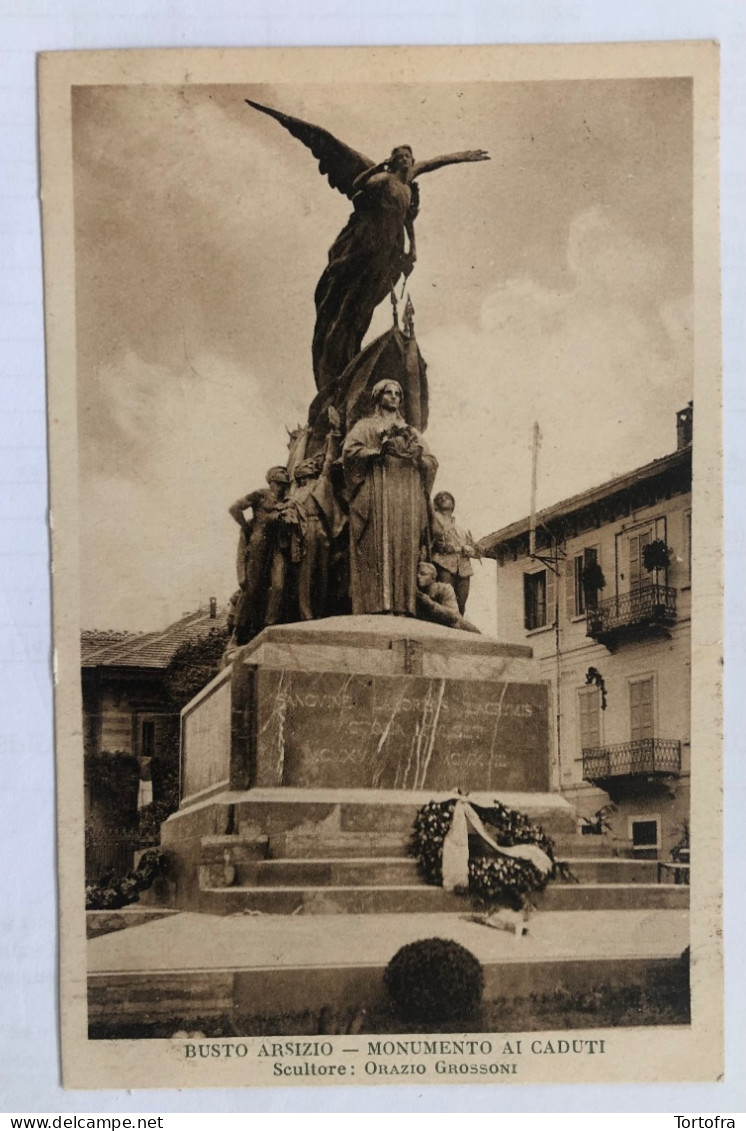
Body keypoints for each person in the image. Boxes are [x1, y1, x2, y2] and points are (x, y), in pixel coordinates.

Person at [244, 99, 489, 389]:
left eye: (410, 156)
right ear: (393, 160)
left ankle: (350, 352)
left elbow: (421, 191)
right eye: (401, 156)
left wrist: (463, 157)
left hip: (388, 248)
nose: (407, 160)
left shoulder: (409, 181)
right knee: (345, 299)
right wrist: (376, 171)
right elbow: (358, 187)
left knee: (363, 305)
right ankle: (334, 360)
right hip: (365, 240)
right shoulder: (381, 178)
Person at [342, 379, 437, 616]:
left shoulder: (411, 431)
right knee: (377, 546)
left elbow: (431, 460)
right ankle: (375, 605)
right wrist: (376, 452)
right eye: (388, 393)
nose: (394, 397)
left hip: (406, 497)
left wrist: (419, 457)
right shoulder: (366, 426)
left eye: (398, 393)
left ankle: (404, 606)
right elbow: (349, 452)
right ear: (378, 397)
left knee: (405, 545)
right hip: (377, 492)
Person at [229, 466, 290, 645]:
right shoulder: (261, 495)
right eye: (278, 483)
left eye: (283, 484)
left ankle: (268, 626)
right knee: (251, 589)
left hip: (277, 547)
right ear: (270, 481)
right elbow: (234, 508)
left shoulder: (287, 499)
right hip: (259, 545)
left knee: (278, 586)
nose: (280, 487)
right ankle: (237, 633)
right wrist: (246, 527)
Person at [430, 490, 480, 615]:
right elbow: (431, 541)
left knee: (461, 604)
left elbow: (475, 550)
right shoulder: (434, 521)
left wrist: (470, 550)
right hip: (444, 564)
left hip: (463, 568)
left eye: (447, 497)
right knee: (446, 600)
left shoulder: (461, 529)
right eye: (440, 497)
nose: (443, 499)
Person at [415, 562, 481, 633]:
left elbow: (453, 616)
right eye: (417, 574)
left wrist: (430, 604)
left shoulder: (445, 589)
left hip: (460, 629)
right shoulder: (417, 592)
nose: (418, 576)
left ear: (433, 577)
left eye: (423, 574)